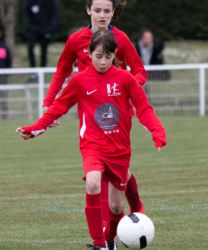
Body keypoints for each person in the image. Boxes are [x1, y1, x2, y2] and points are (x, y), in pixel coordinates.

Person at [17, 30, 166, 250]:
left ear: (115, 55)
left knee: (116, 207)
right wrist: (37, 128)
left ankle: (108, 239)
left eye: (108, 56)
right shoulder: (80, 80)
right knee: (93, 183)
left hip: (120, 149)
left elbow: (144, 108)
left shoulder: (125, 79)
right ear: (89, 54)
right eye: (98, 56)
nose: (103, 61)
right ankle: (99, 245)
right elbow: (58, 107)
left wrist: (157, 132)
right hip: (92, 146)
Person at [42, 0, 147, 232]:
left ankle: (135, 206)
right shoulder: (75, 40)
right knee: (96, 173)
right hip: (90, 114)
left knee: (116, 170)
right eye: (97, 10)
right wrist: (48, 103)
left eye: (107, 11)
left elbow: (139, 72)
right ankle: (103, 231)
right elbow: (62, 72)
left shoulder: (122, 40)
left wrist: (126, 87)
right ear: (88, 10)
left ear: (113, 13)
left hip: (118, 114)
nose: (102, 15)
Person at [23, 0, 59, 67]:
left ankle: (43, 68)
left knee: (44, 50)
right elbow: (26, 14)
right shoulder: (30, 2)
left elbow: (54, 15)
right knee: (30, 47)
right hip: (32, 29)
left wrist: (50, 29)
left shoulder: (51, 2)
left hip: (45, 29)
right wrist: (29, 27)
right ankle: (32, 70)